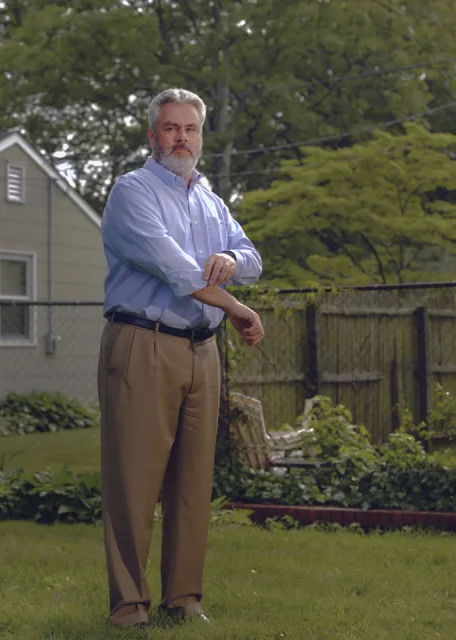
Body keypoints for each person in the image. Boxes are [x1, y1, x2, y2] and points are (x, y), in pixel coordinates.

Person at [98, 87, 265, 629]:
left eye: (190, 129)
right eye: (171, 128)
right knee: (135, 480)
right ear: (153, 136)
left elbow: (253, 256)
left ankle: (183, 599)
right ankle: (129, 605)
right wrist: (238, 308)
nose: (181, 138)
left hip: (202, 351)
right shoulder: (133, 192)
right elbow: (178, 271)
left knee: (194, 483)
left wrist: (230, 257)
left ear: (200, 136)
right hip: (144, 342)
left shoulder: (210, 201)